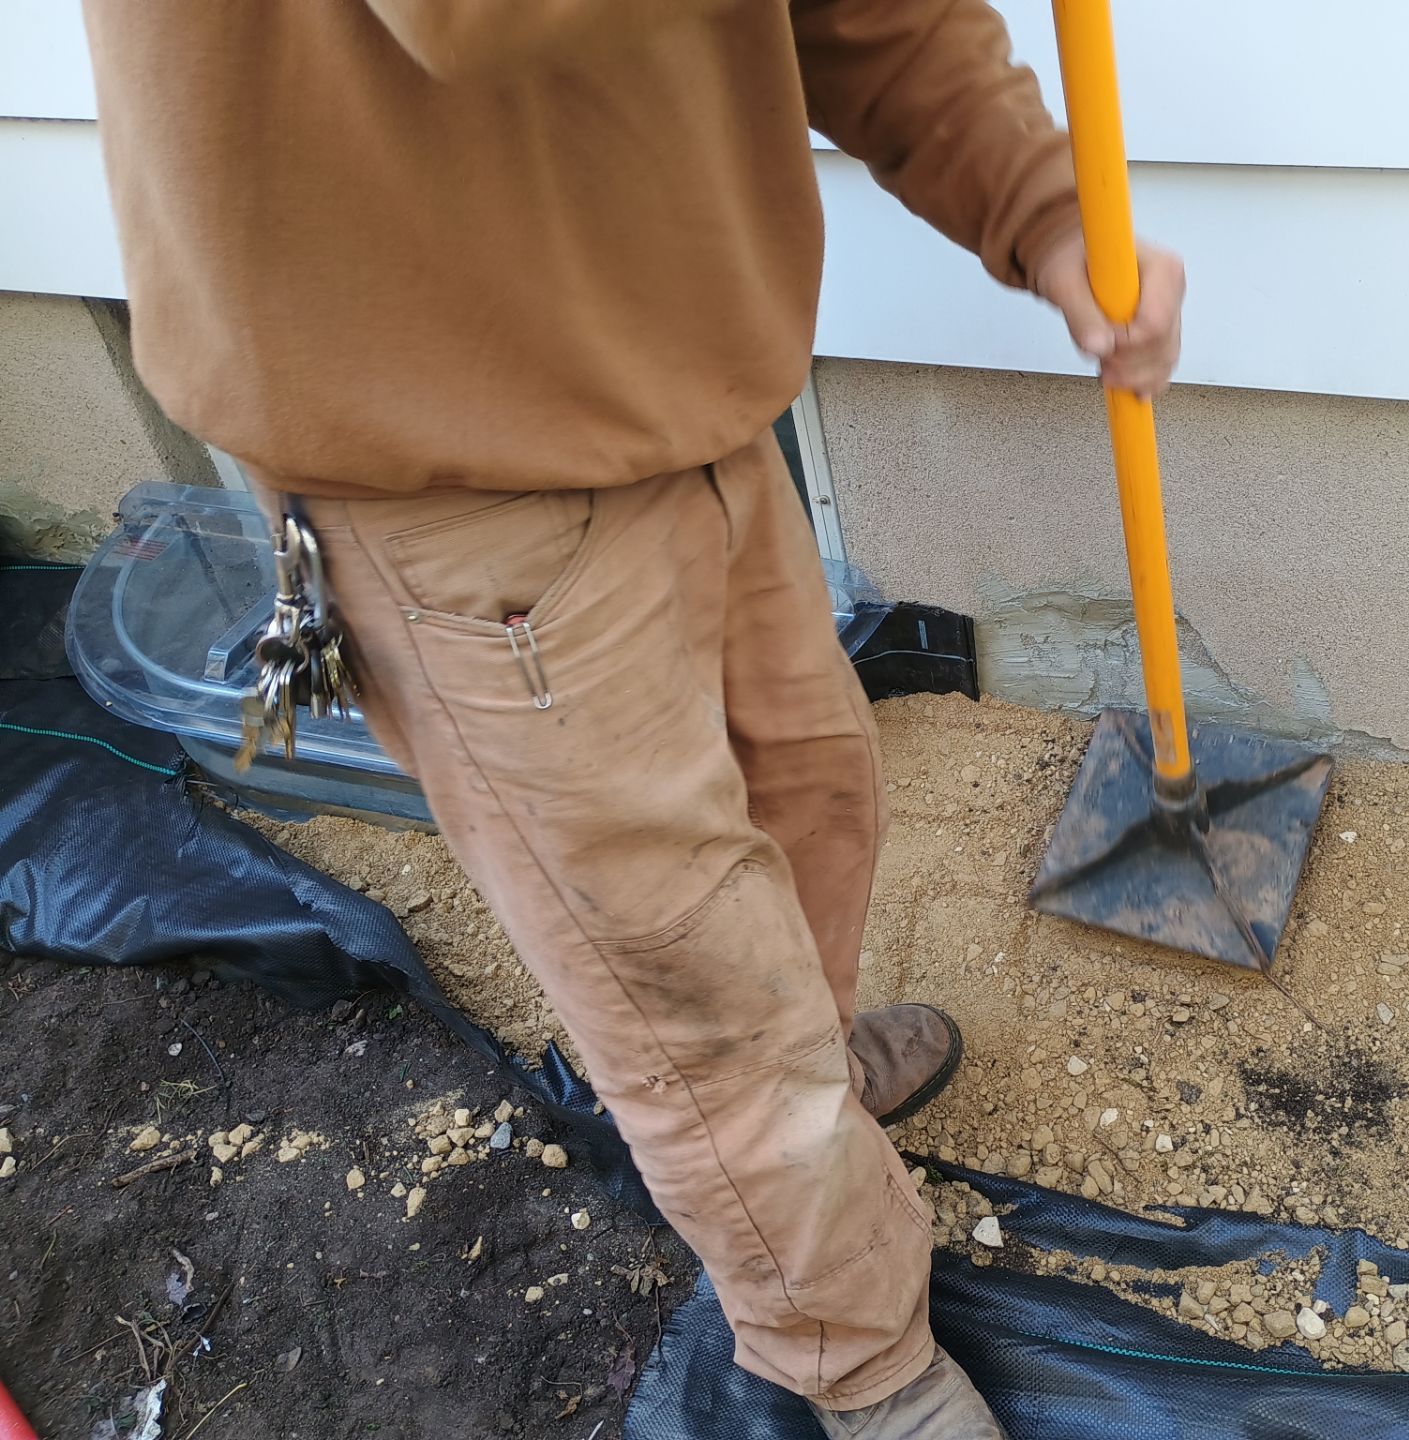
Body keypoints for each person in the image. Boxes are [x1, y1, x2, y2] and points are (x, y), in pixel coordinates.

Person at [80, 3, 1183, 1433]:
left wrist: (1034, 205)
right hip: (446, 456)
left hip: (680, 380)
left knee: (811, 797)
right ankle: (857, 1361)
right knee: (689, 993)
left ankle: (811, 1096)